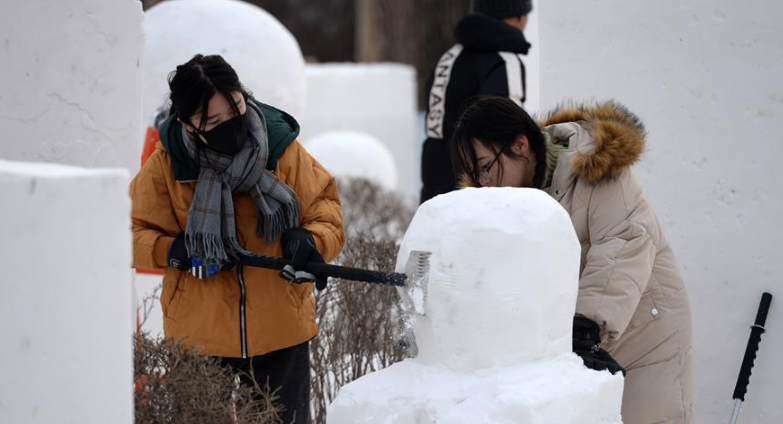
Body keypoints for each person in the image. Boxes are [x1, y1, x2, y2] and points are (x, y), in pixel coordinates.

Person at [449, 97, 693, 424]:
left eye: (484, 166)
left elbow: (624, 242)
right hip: (577, 343)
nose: (483, 182)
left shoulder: (594, 169)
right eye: (473, 173)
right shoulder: (505, 201)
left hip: (644, 332)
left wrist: (586, 326)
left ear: (520, 146)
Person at [130, 54, 345, 424]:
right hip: (197, 337)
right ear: (186, 124)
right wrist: (175, 250)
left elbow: (325, 210)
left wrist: (310, 241)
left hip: (280, 329)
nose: (230, 125)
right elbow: (129, 231)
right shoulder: (169, 164)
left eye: (235, 109)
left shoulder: (279, 147)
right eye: (213, 121)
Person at [420, 0, 533, 203]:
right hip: (482, 200)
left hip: (434, 199)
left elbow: (435, 130)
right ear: (520, 16)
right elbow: (507, 136)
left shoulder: (448, 59)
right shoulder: (504, 61)